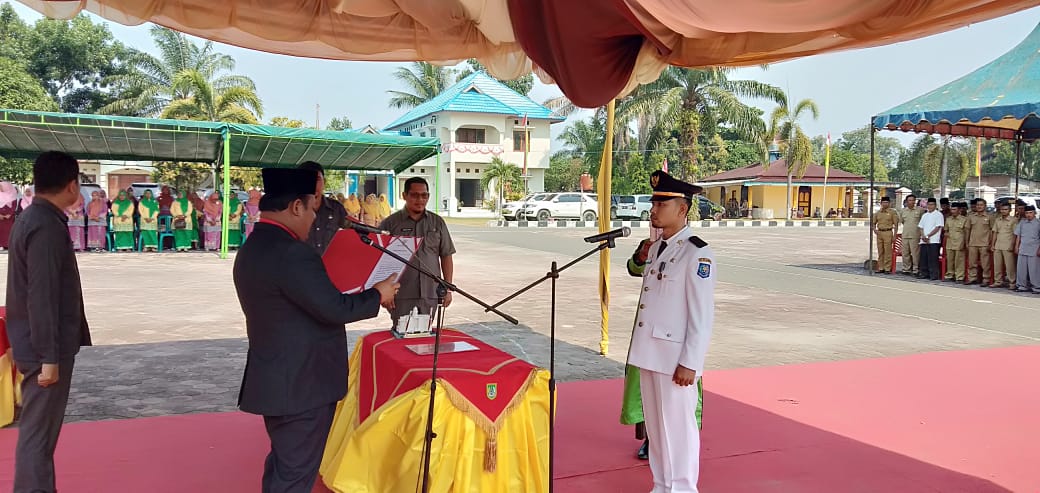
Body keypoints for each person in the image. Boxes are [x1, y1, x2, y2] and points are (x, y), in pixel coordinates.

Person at [233, 167, 399, 493]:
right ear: (296, 206)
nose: (313, 218)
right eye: (312, 208)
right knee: (295, 474)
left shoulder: (253, 247)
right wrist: (377, 294)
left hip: (278, 380)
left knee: (284, 467)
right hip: (302, 385)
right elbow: (333, 308)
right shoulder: (293, 253)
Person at [6, 151, 92, 493]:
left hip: (35, 342)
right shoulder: (44, 225)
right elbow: (41, 296)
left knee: (38, 435)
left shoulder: (35, 218)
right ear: (71, 185)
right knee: (38, 437)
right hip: (43, 347)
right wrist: (49, 358)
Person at [623, 170, 714, 493]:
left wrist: (691, 361)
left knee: (679, 430)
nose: (654, 209)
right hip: (650, 354)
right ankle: (662, 486)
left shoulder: (696, 252)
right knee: (658, 432)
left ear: (683, 209)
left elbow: (701, 315)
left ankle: (684, 488)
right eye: (654, 202)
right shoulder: (658, 248)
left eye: (663, 203)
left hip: (675, 358)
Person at [379, 177, 456, 329]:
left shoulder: (437, 223)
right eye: (414, 195)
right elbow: (378, 259)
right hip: (401, 294)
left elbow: (446, 255)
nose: (420, 199)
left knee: (425, 337)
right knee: (402, 337)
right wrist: (383, 292)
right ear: (404, 195)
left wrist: (447, 289)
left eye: (424, 195)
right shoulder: (390, 224)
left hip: (431, 292)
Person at [296, 161, 347, 255]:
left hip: (332, 267)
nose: (312, 184)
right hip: (303, 267)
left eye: (317, 179)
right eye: (307, 179)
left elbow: (348, 239)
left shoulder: (337, 209)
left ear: (325, 182)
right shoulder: (292, 210)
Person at [991, 201, 1018, 289]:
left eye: (1005, 209)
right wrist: (992, 244)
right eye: (1002, 209)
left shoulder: (1013, 220)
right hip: (998, 245)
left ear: (1009, 210)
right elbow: (995, 232)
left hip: (1008, 245)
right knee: (997, 265)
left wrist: (1012, 245)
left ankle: (1012, 282)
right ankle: (998, 281)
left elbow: (1015, 234)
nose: (1003, 211)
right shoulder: (997, 219)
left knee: (1010, 266)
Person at [966, 198, 993, 285]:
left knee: (985, 263)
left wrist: (990, 243)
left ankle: (986, 279)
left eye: (981, 205)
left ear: (985, 206)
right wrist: (967, 242)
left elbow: (992, 230)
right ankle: (972, 278)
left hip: (984, 243)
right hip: (973, 242)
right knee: (972, 262)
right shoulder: (971, 217)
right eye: (978, 205)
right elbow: (967, 230)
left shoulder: (989, 217)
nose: (979, 207)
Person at [1014, 205, 1040, 293]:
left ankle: (1036, 287)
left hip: (1034, 249)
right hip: (1023, 248)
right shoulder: (1022, 222)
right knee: (1021, 269)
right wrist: (1016, 246)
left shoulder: (1038, 223)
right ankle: (1022, 286)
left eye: (1030, 213)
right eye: (1027, 213)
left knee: (1034, 270)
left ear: (1035, 213)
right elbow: (1018, 236)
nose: (1028, 215)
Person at [917, 198, 944, 281]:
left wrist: (928, 236)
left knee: (933, 258)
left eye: (932, 205)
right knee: (923, 258)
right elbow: (920, 227)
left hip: (933, 240)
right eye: (928, 204)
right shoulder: (925, 215)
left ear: (935, 205)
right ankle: (924, 273)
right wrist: (923, 236)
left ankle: (934, 274)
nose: (930, 206)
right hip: (924, 240)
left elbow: (938, 227)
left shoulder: (938, 214)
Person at [872, 196, 899, 274]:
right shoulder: (878, 213)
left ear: (889, 203)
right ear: (881, 203)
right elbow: (873, 223)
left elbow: (896, 225)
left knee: (888, 251)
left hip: (888, 232)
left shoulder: (892, 212)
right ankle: (881, 267)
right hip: (879, 233)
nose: (885, 204)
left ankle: (887, 268)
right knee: (880, 251)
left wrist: (895, 235)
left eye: (886, 202)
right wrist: (874, 230)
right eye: (883, 202)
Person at [943, 202, 968, 282]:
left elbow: (966, 233)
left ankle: (959, 277)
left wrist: (965, 243)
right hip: (950, 242)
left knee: (959, 260)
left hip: (959, 242)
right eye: (952, 209)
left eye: (954, 209)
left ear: (959, 210)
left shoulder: (964, 219)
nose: (952, 211)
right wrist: (946, 234)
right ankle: (950, 275)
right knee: (950, 260)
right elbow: (946, 230)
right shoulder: (948, 219)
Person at [899, 195, 923, 275]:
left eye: (913, 200)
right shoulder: (903, 211)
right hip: (905, 234)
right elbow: (902, 221)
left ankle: (916, 269)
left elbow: (922, 222)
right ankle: (906, 269)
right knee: (905, 253)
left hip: (915, 235)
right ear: (906, 201)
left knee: (915, 254)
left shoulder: (920, 210)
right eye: (909, 200)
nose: (911, 202)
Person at [0, 181, 17, 250]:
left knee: (9, 231)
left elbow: (14, 205)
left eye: (1, 186)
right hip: (0, 217)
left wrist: (10, 214)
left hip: (9, 218)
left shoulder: (12, 195)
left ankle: (8, 244)